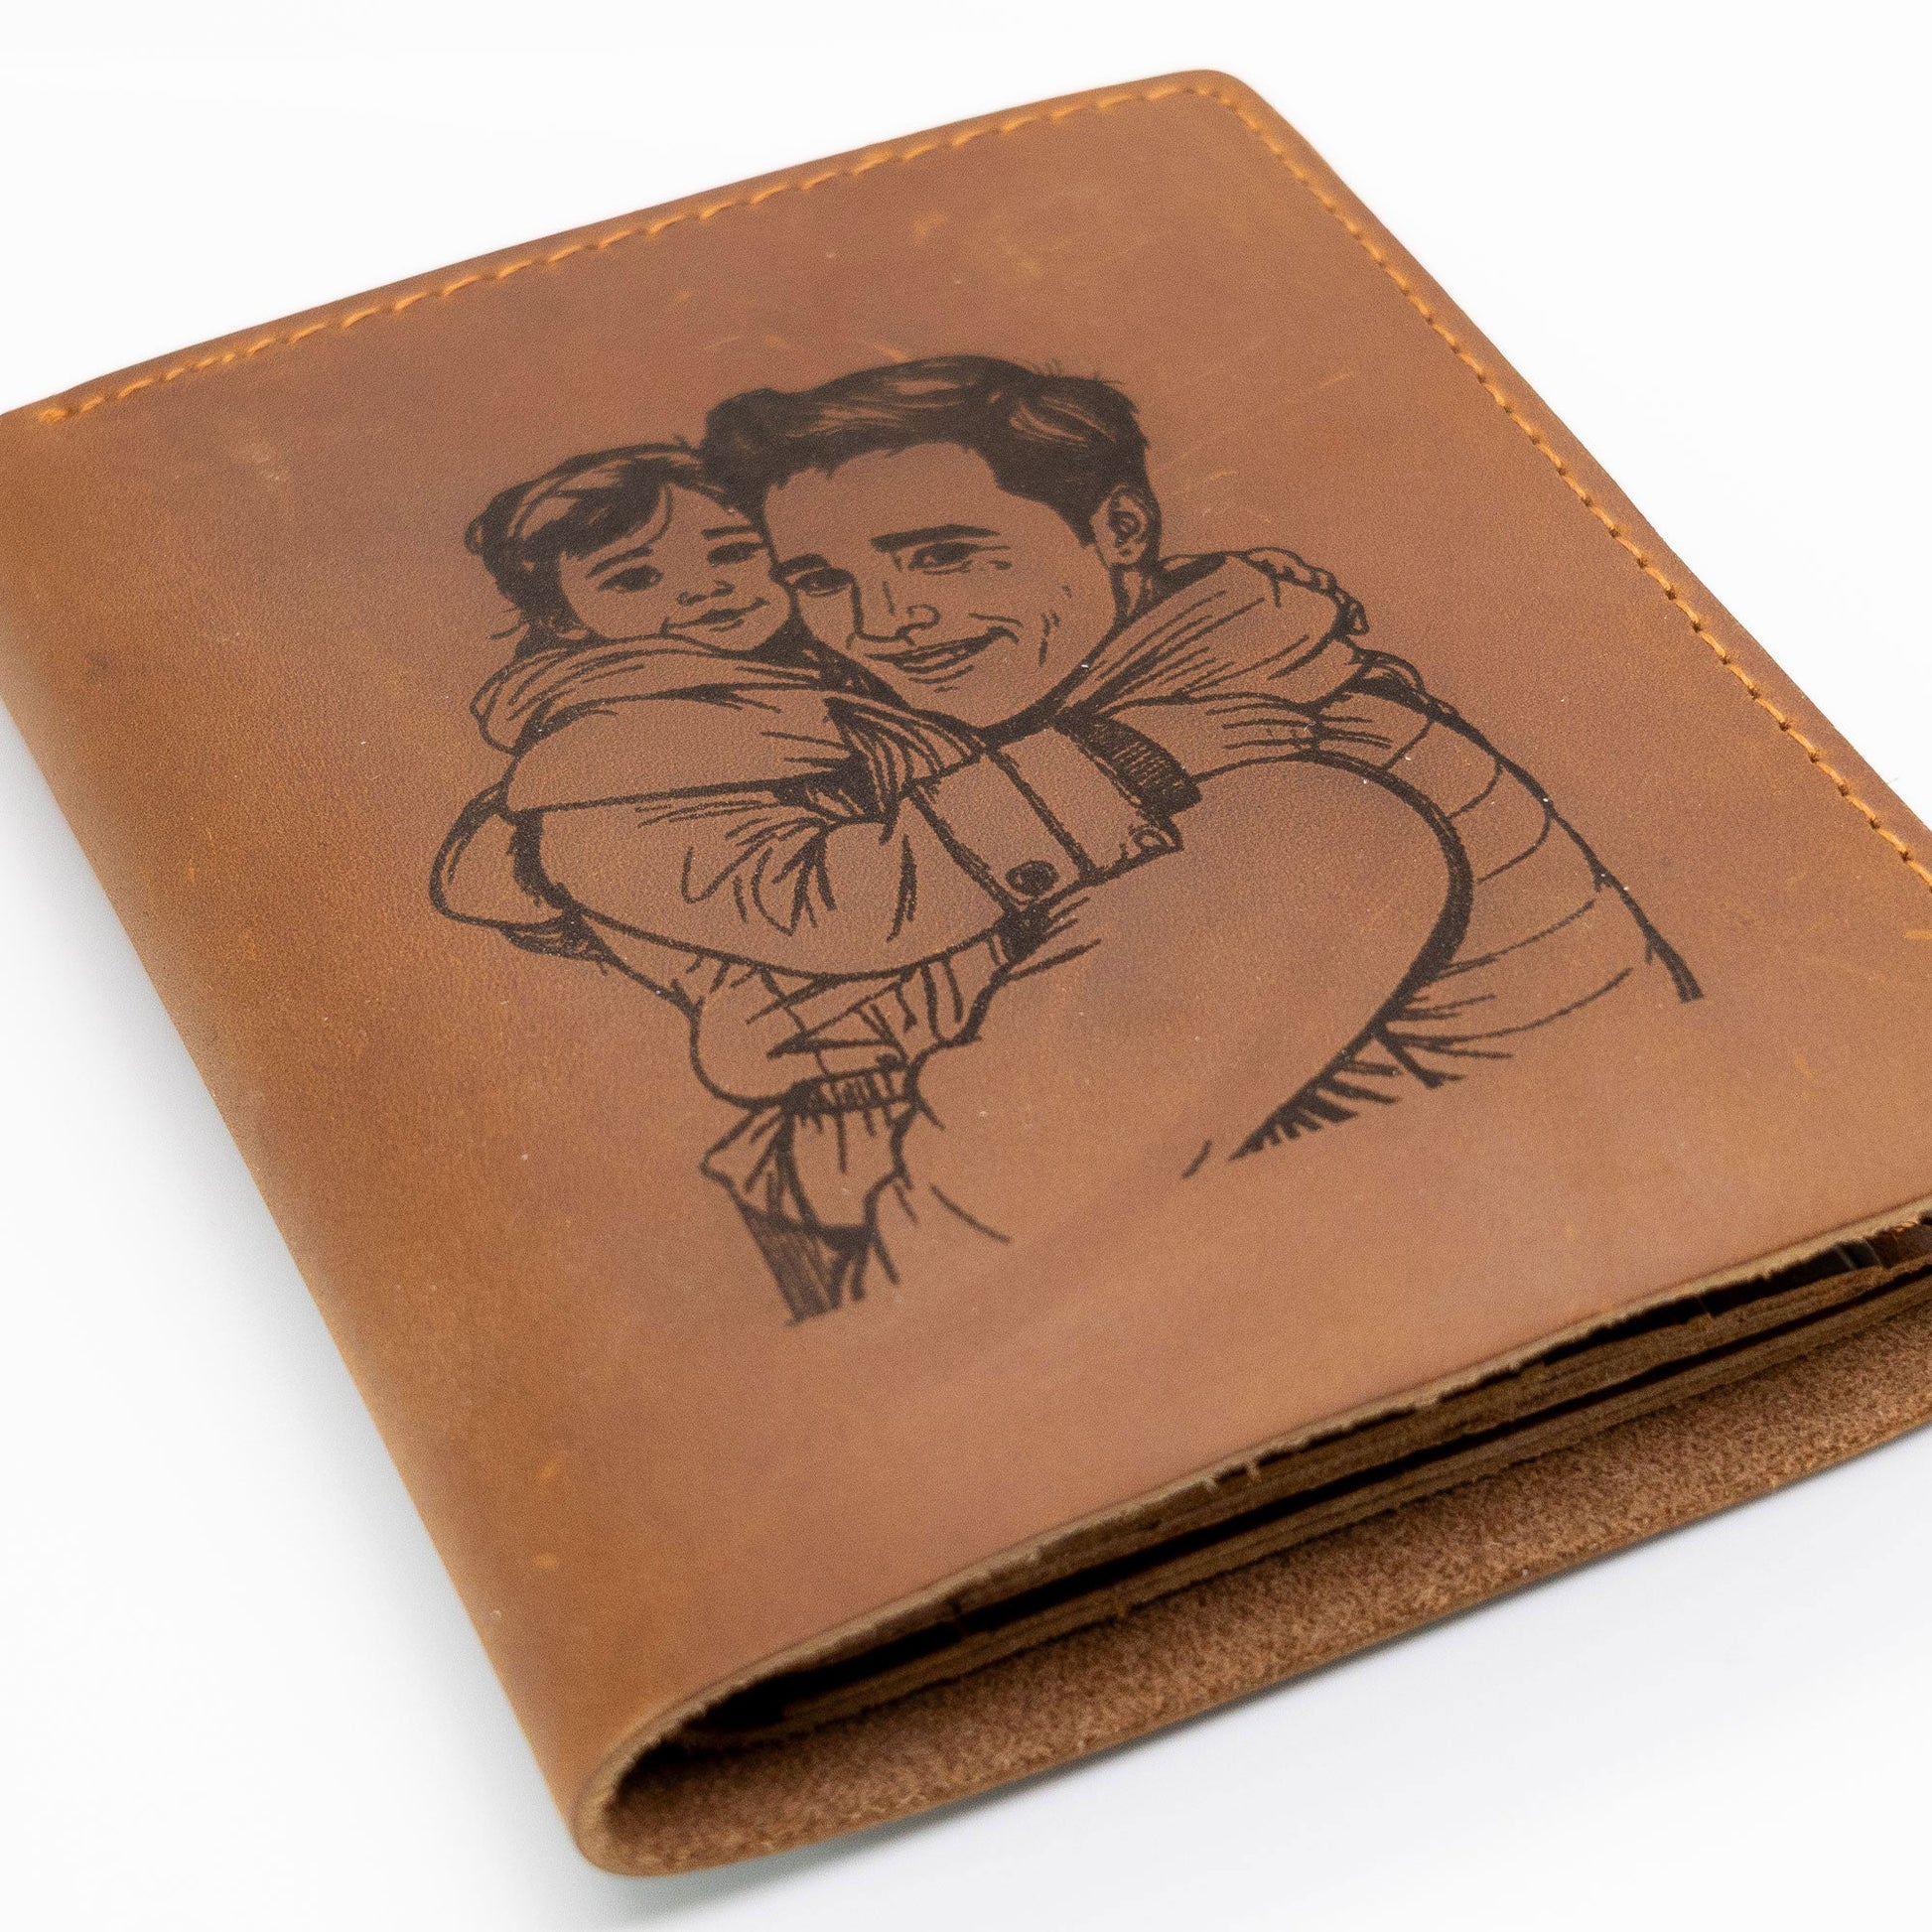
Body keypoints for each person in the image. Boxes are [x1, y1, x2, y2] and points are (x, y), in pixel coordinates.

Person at [451, 360, 1700, 1309]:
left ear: (1119, 530)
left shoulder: (1265, 809)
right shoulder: (1112, 713)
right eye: (822, 581)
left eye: (944, 555)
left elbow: (956, 1272)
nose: (881, 622)